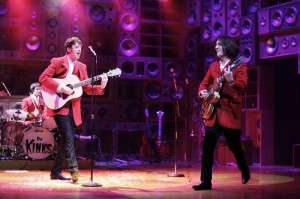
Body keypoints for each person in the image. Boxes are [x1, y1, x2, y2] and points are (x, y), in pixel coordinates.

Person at [39, 37, 108, 183]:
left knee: (66, 141)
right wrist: (60, 87)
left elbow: (87, 89)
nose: (79, 50)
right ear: (69, 49)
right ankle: (74, 172)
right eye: (76, 47)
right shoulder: (58, 62)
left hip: (73, 109)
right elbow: (43, 78)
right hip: (58, 105)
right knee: (69, 138)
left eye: (80, 47)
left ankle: (55, 172)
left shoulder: (82, 67)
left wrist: (101, 85)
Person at [193, 36, 250, 190]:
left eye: (219, 45)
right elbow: (204, 84)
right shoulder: (213, 66)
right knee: (208, 148)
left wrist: (231, 81)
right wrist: (203, 92)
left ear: (227, 46)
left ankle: (244, 169)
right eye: (216, 45)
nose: (216, 47)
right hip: (213, 113)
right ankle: (206, 181)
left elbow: (242, 87)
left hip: (229, 112)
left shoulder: (239, 66)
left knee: (234, 146)